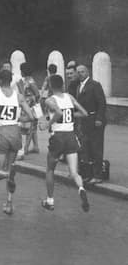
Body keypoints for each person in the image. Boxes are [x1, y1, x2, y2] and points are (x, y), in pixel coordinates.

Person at [0, 68, 34, 216]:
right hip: (15, 133)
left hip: (1, 133)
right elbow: (31, 116)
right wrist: (19, 119)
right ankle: (9, 202)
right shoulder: (18, 96)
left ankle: (9, 174)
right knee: (9, 167)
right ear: (11, 80)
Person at [39, 74, 90, 213]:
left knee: (50, 169)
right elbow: (84, 113)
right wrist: (72, 116)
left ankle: (50, 200)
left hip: (58, 137)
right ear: (62, 85)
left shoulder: (50, 100)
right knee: (74, 172)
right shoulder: (70, 97)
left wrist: (48, 124)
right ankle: (81, 188)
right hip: (71, 136)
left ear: (50, 86)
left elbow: (58, 113)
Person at [75, 64, 107, 184]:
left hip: (95, 121)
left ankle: (98, 175)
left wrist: (99, 118)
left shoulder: (95, 85)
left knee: (96, 148)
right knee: (86, 148)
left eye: (82, 71)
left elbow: (101, 103)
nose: (80, 74)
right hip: (85, 122)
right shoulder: (79, 86)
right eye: (78, 72)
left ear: (88, 72)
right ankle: (88, 174)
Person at [17, 62, 41, 158]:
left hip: (31, 107)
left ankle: (25, 149)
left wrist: (31, 101)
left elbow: (37, 94)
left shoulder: (30, 82)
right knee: (32, 128)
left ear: (23, 71)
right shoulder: (26, 81)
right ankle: (36, 146)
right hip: (27, 106)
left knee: (29, 129)